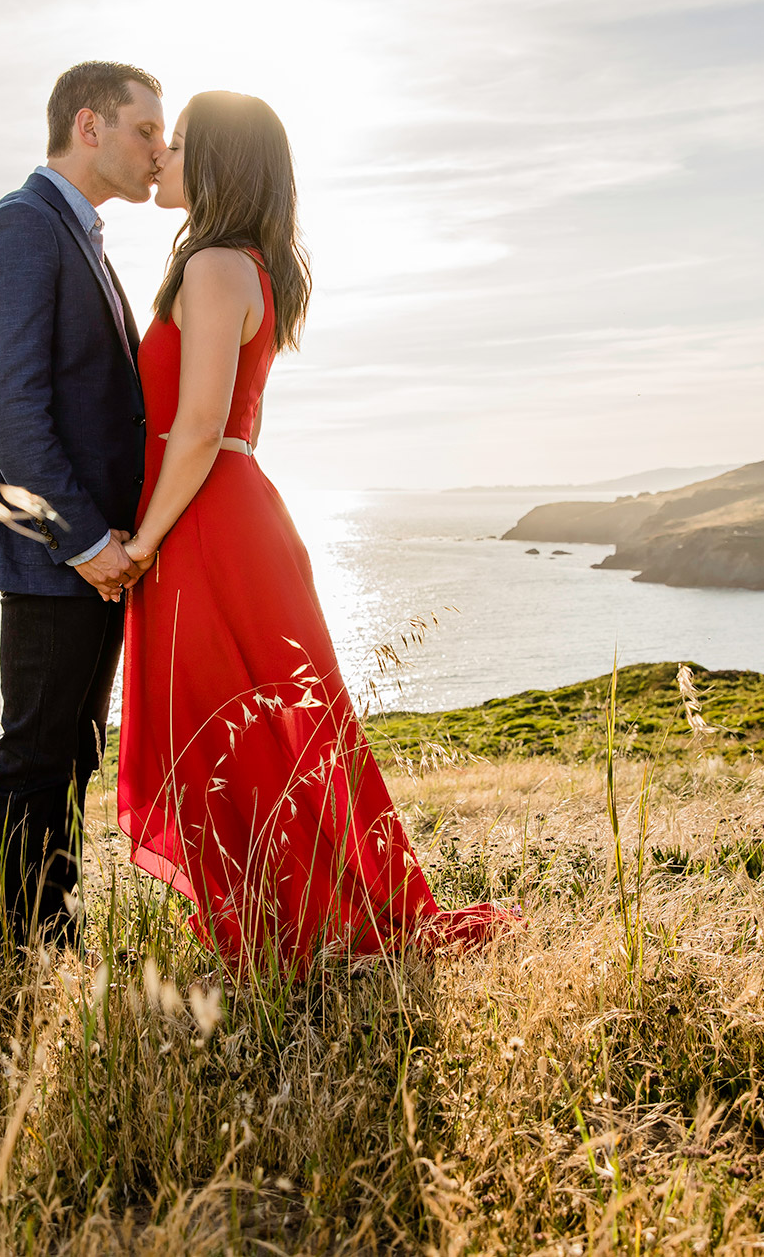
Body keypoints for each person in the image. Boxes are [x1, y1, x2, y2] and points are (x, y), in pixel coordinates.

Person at [115, 91, 516, 969]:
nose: (162, 157)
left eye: (178, 143)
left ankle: (295, 926)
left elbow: (196, 425)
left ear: (217, 163)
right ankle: (291, 916)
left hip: (206, 520)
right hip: (227, 513)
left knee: (233, 727)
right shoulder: (243, 262)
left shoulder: (215, 265)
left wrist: (142, 541)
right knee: (260, 725)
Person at [0, 61, 165, 951]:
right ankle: (23, 947)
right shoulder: (22, 227)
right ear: (89, 127)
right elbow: (11, 410)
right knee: (39, 753)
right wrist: (84, 540)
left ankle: (50, 928)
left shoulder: (80, 235)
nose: (158, 151)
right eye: (144, 131)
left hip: (91, 555)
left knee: (70, 752)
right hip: (55, 555)